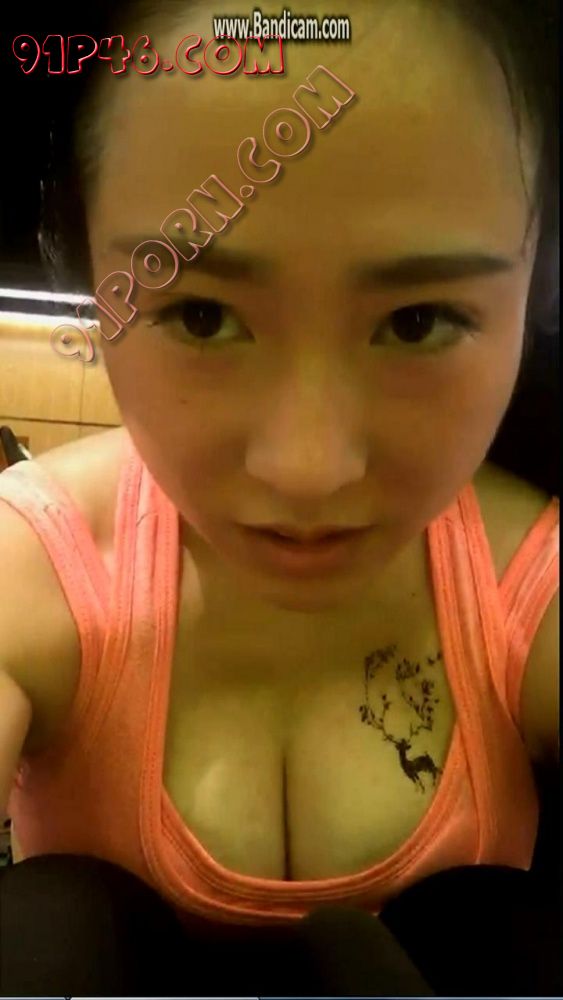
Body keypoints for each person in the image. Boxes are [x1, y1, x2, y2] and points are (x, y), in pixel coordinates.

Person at [0, 0, 559, 994]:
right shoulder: (29, 567)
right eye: (200, 315)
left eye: (417, 320)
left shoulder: (535, 587)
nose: (307, 468)